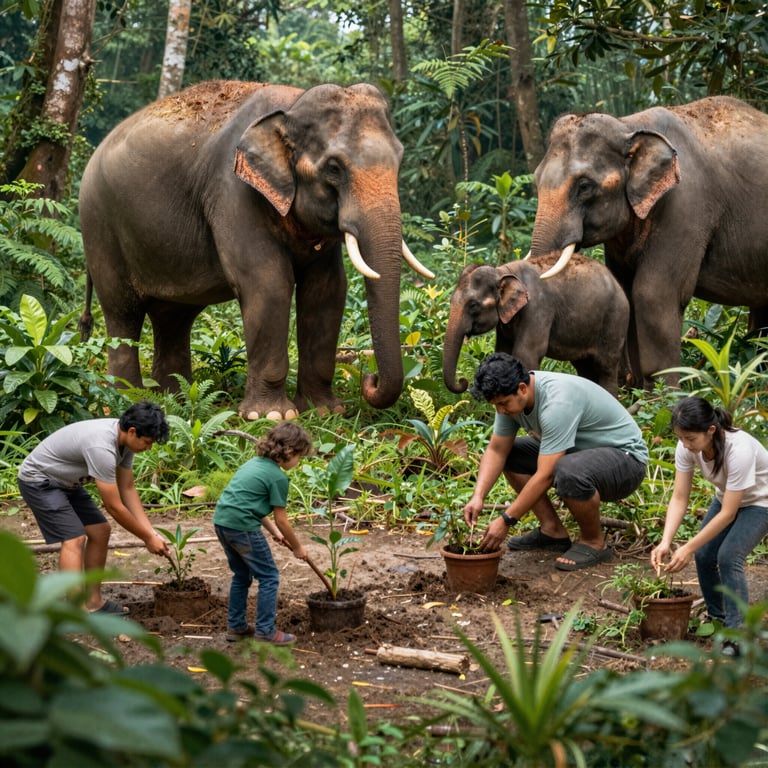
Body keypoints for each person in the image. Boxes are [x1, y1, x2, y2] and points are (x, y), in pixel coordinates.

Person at [463, 353, 648, 571]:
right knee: (513, 454)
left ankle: (593, 542)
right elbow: (497, 450)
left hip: (626, 461)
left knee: (566, 470)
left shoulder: (557, 402)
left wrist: (506, 520)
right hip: (580, 454)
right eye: (496, 405)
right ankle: (552, 531)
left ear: (522, 388)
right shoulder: (509, 397)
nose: (500, 411)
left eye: (503, 404)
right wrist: (478, 497)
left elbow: (546, 475)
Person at [17, 401, 171, 613]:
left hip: (67, 482)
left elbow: (127, 487)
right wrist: (146, 538)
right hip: (39, 480)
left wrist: (151, 532)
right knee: (74, 538)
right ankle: (76, 609)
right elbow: (114, 506)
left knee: (100, 530)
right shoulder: (101, 446)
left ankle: (93, 602)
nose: (149, 447)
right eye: (147, 442)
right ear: (132, 431)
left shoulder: (125, 442)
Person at [650, 397, 768, 653]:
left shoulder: (739, 450)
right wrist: (666, 541)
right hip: (728, 498)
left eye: (690, 438)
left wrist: (687, 547)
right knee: (704, 555)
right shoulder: (687, 449)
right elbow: (680, 497)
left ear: (711, 430)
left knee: (728, 557)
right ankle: (719, 620)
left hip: (761, 501)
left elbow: (728, 514)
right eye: (681, 438)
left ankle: (737, 637)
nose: (685, 445)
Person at [213, 421, 314, 645]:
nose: (298, 462)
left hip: (223, 522)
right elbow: (282, 519)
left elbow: (250, 505)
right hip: (242, 528)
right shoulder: (277, 477)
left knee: (241, 575)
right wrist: (297, 547)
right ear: (289, 451)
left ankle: (236, 627)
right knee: (269, 576)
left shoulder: (253, 464)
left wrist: (275, 532)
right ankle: (265, 631)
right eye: (299, 456)